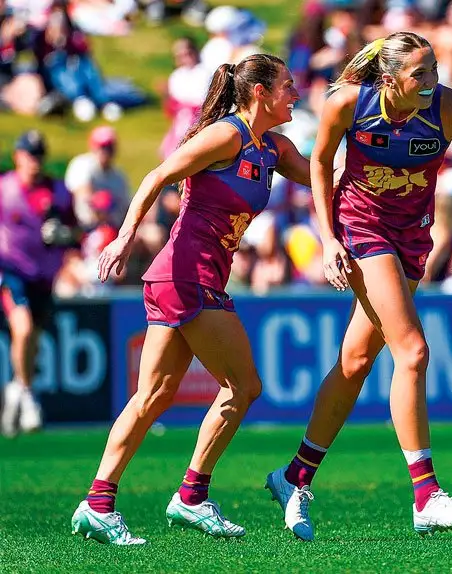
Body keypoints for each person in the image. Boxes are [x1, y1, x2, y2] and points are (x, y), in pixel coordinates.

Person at [264, 32, 452, 540]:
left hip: (411, 239)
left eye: (434, 70)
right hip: (362, 231)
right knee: (413, 351)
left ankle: (294, 477)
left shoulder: (450, 108)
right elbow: (318, 163)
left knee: (356, 361)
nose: (431, 82)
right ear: (389, 79)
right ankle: (426, 495)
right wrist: (328, 237)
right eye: (419, 74)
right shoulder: (348, 104)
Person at [70, 53, 310, 545]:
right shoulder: (226, 135)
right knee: (243, 387)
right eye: (287, 85)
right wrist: (123, 238)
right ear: (260, 92)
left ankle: (98, 503)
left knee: (151, 397)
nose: (296, 92)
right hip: (186, 277)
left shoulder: (275, 149)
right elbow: (154, 177)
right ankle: (192, 496)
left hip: (184, 279)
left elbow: (326, 177)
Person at [0, 130, 81, 437]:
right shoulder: (5, 189)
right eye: (29, 155)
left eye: (38, 156)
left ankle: (19, 389)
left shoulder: (59, 192)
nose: (34, 162)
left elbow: (77, 232)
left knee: (32, 337)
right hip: (11, 271)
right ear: (18, 156)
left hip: (44, 276)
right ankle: (28, 396)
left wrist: (64, 236)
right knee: (21, 329)